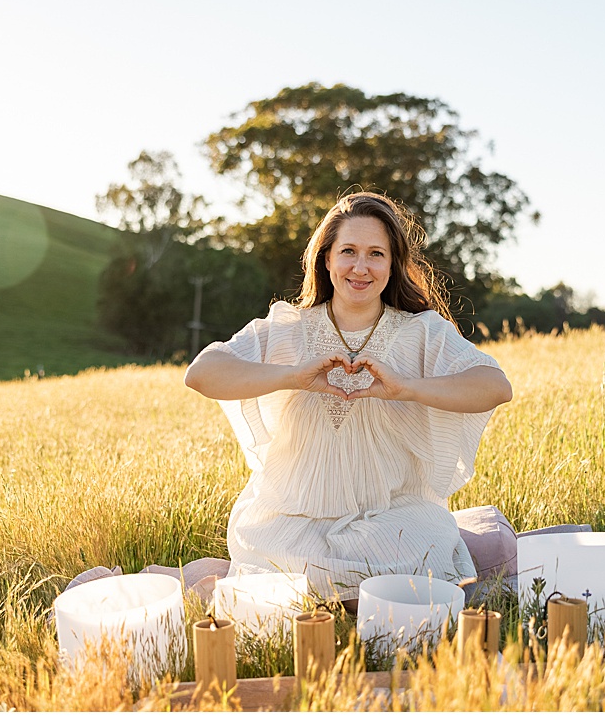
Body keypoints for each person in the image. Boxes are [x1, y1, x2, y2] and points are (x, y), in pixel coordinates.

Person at [184, 192, 513, 603]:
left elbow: (495, 386)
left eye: (376, 253)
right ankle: (344, 594)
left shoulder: (421, 332)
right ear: (326, 259)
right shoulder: (289, 327)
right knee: (298, 565)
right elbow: (201, 373)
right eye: (348, 252)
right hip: (293, 520)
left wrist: (407, 388)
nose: (361, 267)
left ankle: (334, 595)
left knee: (424, 543)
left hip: (393, 517)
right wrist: (293, 377)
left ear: (393, 265)